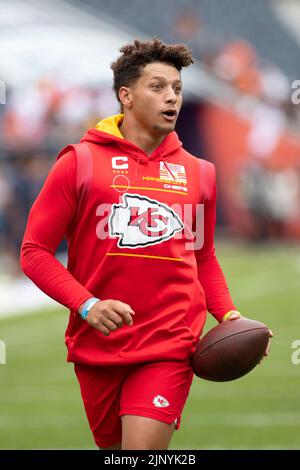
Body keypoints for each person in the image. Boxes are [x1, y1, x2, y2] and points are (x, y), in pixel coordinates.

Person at [20, 38, 272, 450]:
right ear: (126, 95)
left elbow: (203, 256)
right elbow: (34, 252)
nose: (171, 96)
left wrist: (228, 314)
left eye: (177, 88)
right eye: (157, 87)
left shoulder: (200, 173)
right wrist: (87, 305)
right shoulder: (78, 162)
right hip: (97, 344)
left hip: (169, 344)